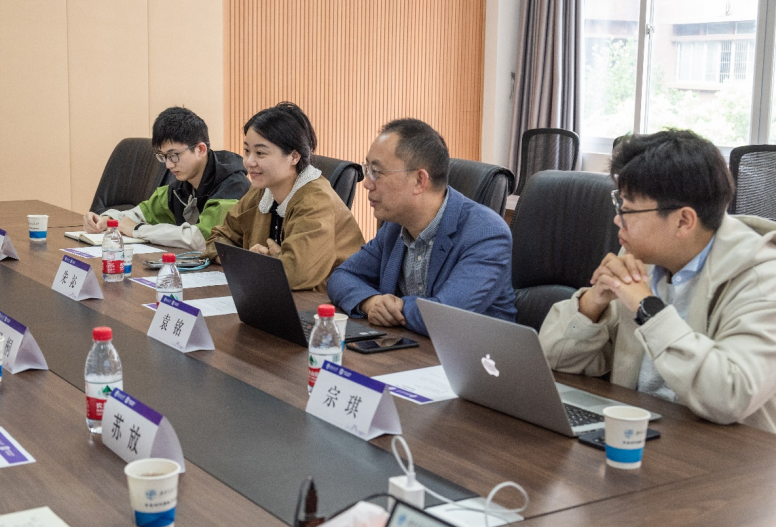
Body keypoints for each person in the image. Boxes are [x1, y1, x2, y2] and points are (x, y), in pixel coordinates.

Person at [539, 129, 776, 433]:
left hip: (722, 453)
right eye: (619, 205)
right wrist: (593, 303)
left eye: (628, 209)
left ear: (683, 221)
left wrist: (646, 307)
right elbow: (554, 359)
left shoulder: (762, 277)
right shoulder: (643, 258)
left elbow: (730, 395)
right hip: (641, 432)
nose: (617, 219)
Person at [327, 118, 516, 336]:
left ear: (419, 181)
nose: (367, 183)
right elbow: (342, 276)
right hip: (409, 349)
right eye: (367, 168)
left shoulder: (487, 234)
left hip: (475, 355)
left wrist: (397, 307)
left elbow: (446, 316)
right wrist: (371, 302)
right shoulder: (395, 227)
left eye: (376, 172)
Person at [203, 102, 364, 292]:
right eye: (247, 151)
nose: (249, 162)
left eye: (260, 153)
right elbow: (218, 238)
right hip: (273, 295)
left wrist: (252, 262)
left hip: (326, 303)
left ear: (294, 157)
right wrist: (254, 261)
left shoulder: (316, 201)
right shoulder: (262, 190)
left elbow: (294, 274)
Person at [83, 106, 250, 251]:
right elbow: (139, 214)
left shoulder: (233, 186)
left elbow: (201, 238)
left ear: (200, 149)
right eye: (163, 157)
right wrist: (107, 220)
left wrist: (138, 229)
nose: (168, 165)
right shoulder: (179, 186)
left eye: (174, 155)